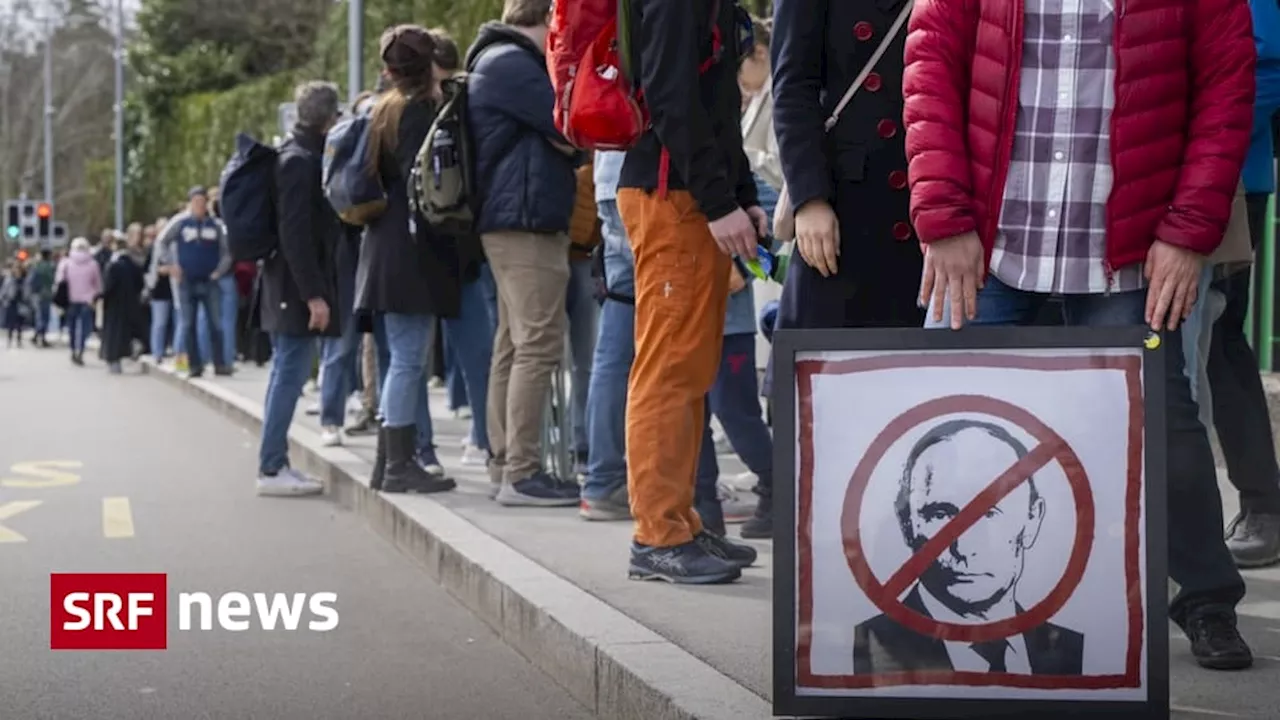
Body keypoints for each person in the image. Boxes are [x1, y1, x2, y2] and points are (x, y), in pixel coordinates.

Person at [904, 0, 1255, 669]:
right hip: (988, 246)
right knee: (942, 423)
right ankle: (916, 615)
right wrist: (944, 216)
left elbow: (1225, 90)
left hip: (1125, 253)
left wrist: (1187, 232)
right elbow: (930, 68)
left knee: (1164, 428)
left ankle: (1206, 599)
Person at [615, 0, 761, 583]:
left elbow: (715, 106)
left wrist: (739, 193)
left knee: (689, 371)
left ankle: (679, 522)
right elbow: (673, 100)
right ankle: (657, 536)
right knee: (669, 372)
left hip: (686, 195)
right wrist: (723, 200)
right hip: (671, 197)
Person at [852, 420, 1084, 676]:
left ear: (1032, 519)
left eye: (990, 512)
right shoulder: (868, 649)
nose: (964, 547)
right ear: (907, 524)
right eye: (940, 514)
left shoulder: (1073, 652)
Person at [466, 0, 580, 506]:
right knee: (537, 345)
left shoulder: (494, 60)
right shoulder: (514, 65)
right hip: (526, 221)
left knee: (512, 346)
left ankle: (504, 464)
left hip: (512, 219)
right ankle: (522, 472)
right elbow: (571, 127)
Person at [769, 0, 925, 329]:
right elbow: (793, 88)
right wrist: (810, 199)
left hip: (922, 205)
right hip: (841, 207)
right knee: (823, 365)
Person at [355, 25, 460, 495]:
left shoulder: (382, 110)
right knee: (407, 360)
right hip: (411, 249)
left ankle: (386, 461)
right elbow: (435, 186)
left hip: (382, 244)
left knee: (401, 356)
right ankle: (400, 465)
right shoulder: (420, 114)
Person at [1204, 0, 1280, 569]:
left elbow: (1268, 72)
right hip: (1126, 183)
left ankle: (1263, 505)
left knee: (1219, 344)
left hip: (1224, 185)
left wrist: (1197, 142)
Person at [256, 81, 345, 497]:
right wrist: (314, 294)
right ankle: (272, 466)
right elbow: (296, 234)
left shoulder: (294, 155)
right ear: (330, 117)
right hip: (294, 288)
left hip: (286, 283)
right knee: (289, 375)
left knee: (286, 374)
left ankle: (275, 463)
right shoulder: (299, 162)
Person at [429, 27, 496, 468]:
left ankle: (479, 434)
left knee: (477, 352)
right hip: (461, 247)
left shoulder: (453, 107)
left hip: (455, 249)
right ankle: (481, 435)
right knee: (476, 352)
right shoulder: (460, 106)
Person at [580, 151, 635, 521]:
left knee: (613, 348)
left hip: (612, 178)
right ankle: (694, 483)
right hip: (642, 179)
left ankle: (604, 478)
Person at [154, 187, 234, 378]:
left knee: (216, 323)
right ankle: (194, 365)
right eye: (196, 201)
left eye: (202, 201)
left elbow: (227, 251)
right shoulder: (181, 223)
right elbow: (161, 242)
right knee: (188, 324)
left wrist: (219, 271)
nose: (199, 205)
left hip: (209, 279)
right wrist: (172, 265)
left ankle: (220, 363)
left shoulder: (215, 226)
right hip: (187, 280)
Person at [101, 234, 148, 374]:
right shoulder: (133, 265)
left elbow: (108, 287)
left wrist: (103, 298)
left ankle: (114, 361)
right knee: (128, 332)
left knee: (113, 335)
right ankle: (132, 349)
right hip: (130, 304)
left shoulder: (113, 265)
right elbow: (140, 283)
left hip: (114, 306)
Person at [55, 237, 103, 366]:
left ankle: (72, 349)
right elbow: (97, 283)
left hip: (70, 300)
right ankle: (80, 349)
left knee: (71, 327)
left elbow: (59, 281)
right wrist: (97, 296)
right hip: (87, 300)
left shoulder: (66, 263)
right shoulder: (93, 264)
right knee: (85, 327)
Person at [26, 249, 55, 348]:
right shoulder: (50, 266)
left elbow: (31, 280)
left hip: (38, 294)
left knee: (40, 316)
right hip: (47, 294)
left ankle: (37, 335)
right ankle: (41, 337)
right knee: (45, 317)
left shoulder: (37, 266)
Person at [1, 260, 30, 347]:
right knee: (11, 323)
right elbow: (4, 290)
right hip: (11, 303)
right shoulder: (9, 279)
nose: (17, 271)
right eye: (15, 268)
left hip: (21, 303)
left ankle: (19, 340)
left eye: (19, 269)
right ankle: (9, 340)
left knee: (20, 323)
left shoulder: (24, 280)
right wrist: (3, 299)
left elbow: (27, 292)